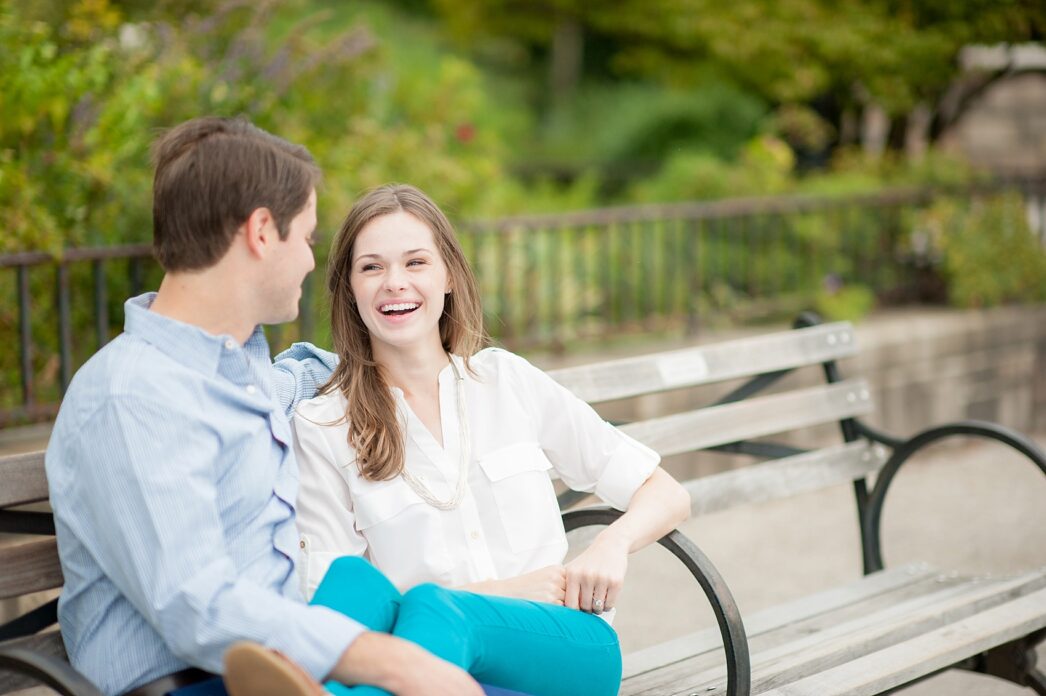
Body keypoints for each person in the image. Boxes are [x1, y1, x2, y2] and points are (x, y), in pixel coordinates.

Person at [44, 117, 527, 696]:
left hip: (289, 665)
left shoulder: (239, 371)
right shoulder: (133, 397)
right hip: (193, 684)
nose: (308, 261)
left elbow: (315, 375)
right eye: (306, 237)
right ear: (261, 232)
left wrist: (414, 365)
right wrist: (390, 663)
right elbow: (197, 606)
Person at [289, 184, 693, 696]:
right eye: (371, 267)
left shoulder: (506, 382)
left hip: (562, 650)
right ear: (349, 288)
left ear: (449, 276)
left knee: (434, 606)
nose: (395, 283)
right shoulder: (324, 424)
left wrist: (611, 544)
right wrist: (503, 590)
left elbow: (665, 492)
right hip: (435, 675)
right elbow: (330, 600)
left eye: (416, 263)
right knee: (354, 584)